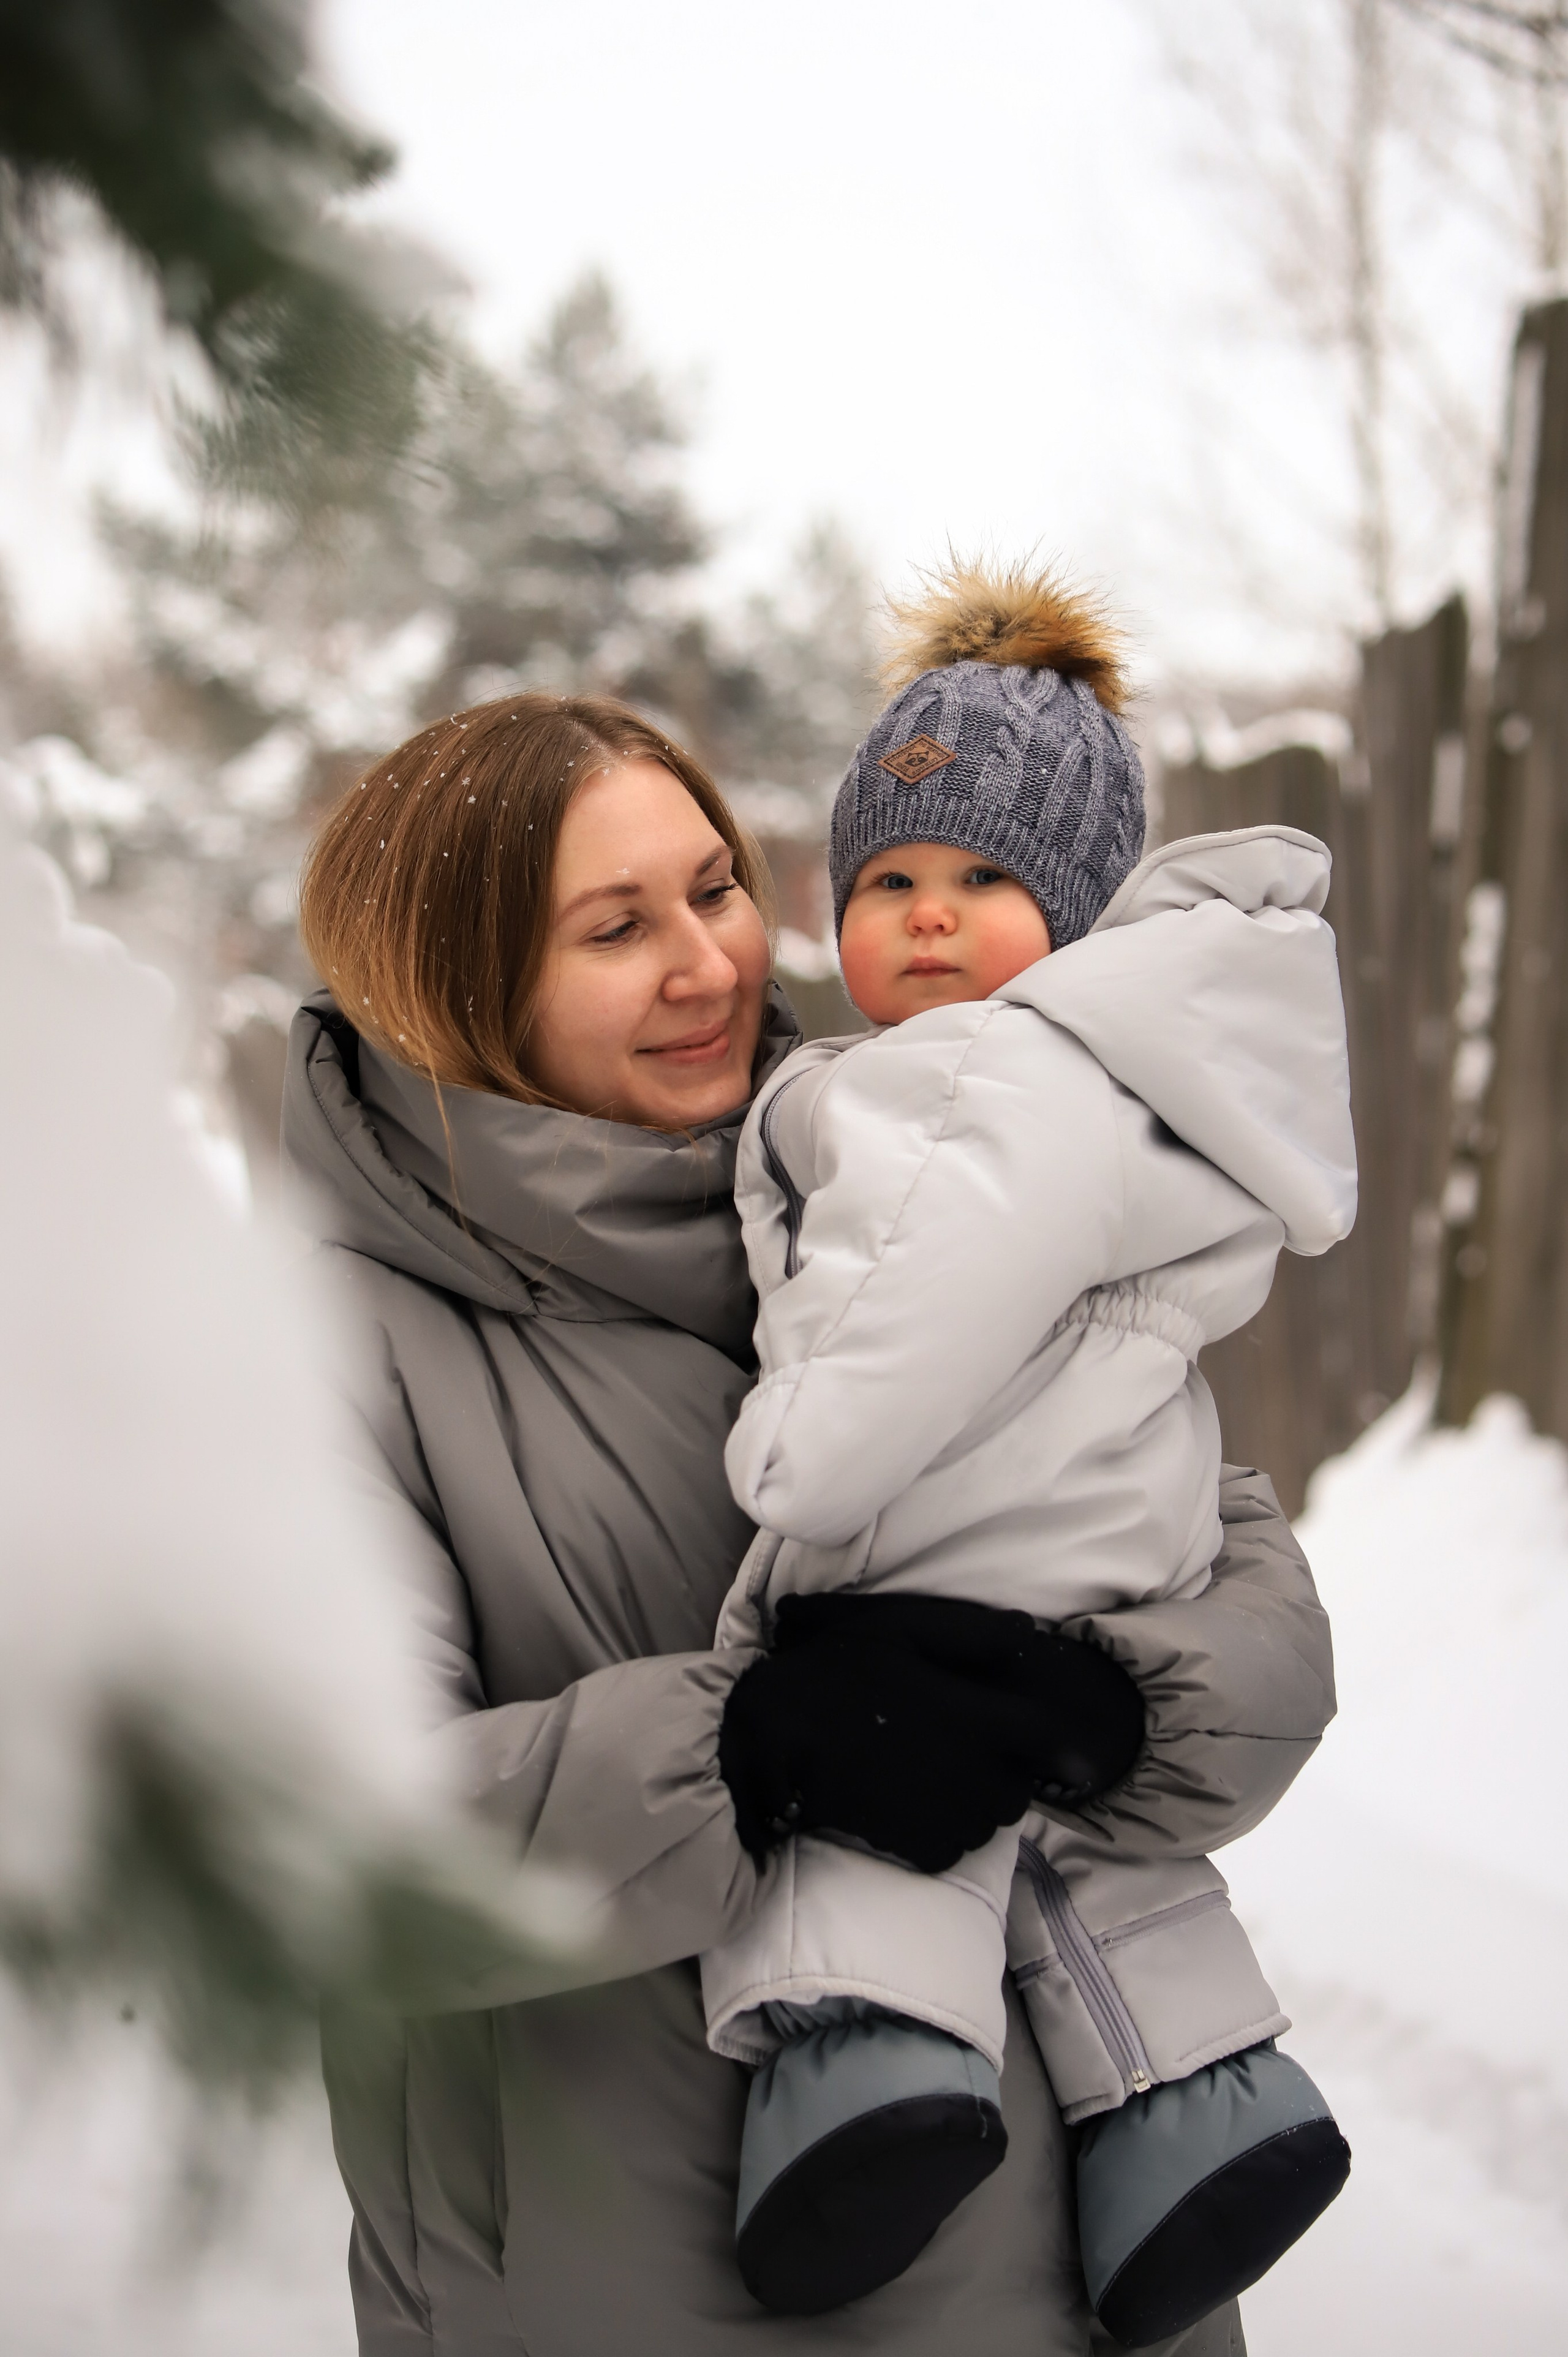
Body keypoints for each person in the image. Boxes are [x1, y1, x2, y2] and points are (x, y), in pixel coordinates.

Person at [282, 681, 1339, 2357]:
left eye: (715, 889)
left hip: (1089, 2281)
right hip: (636, 2293)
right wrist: (747, 1751)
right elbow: (309, 1854)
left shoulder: (926, 1174)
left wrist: (1112, 1702)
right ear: (455, 984)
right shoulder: (329, 1342)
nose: (708, 963)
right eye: (616, 927)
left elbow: (1255, 1609)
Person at [701, 566, 1357, 2342]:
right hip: (1115, 1539)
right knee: (1085, 1855)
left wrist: (797, 1454)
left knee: (875, 1808)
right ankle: (1202, 2099)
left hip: (951, 1531)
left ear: (1076, 913)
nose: (930, 916)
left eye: (987, 881)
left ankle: (870, 2079)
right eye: (890, 882)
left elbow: (916, 1296)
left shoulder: (959, 1079)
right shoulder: (1148, 1081)